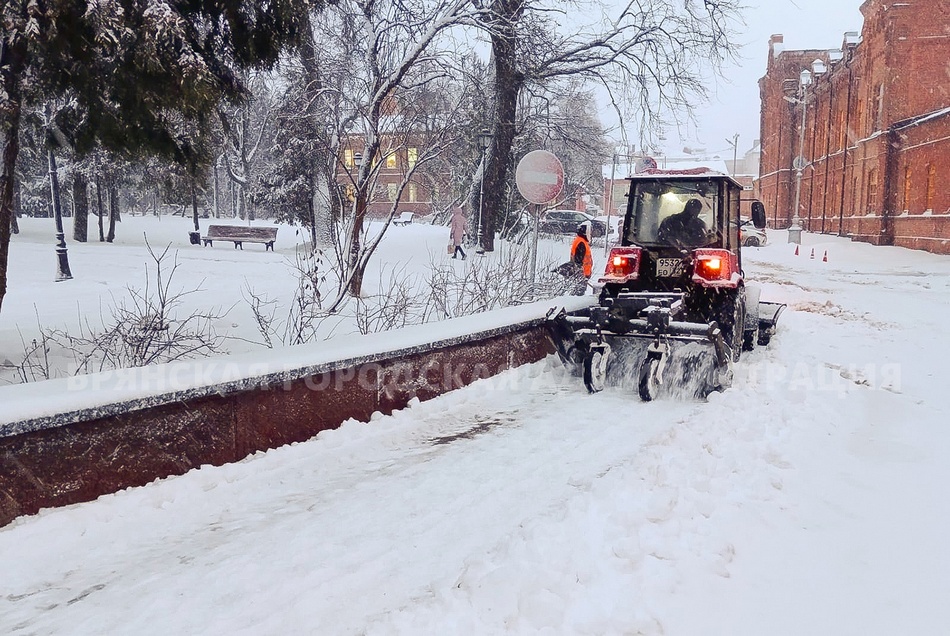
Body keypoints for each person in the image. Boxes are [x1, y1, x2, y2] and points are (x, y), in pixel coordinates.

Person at [569, 221, 593, 295]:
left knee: (578, 292)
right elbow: (578, 261)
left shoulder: (580, 241)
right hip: (581, 274)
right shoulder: (581, 243)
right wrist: (581, 274)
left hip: (581, 274)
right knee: (579, 294)